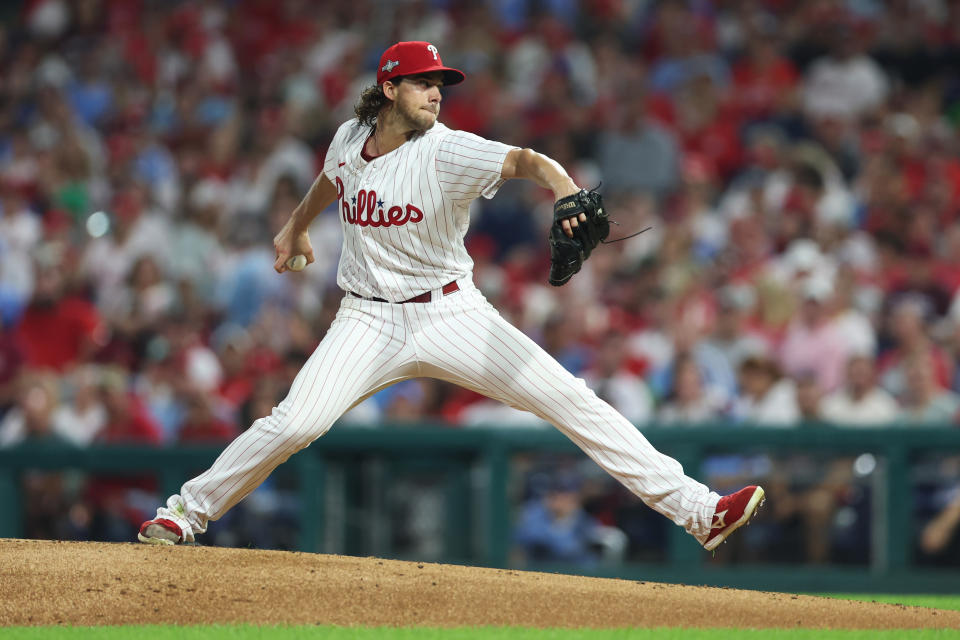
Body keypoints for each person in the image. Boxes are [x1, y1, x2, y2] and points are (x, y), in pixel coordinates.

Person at [138, 41, 763, 553]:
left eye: (440, 82)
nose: (436, 92)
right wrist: (295, 227)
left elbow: (526, 160)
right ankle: (183, 514)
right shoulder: (349, 136)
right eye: (421, 82)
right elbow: (330, 180)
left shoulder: (448, 151)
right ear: (389, 90)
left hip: (451, 313)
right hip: (366, 319)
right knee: (294, 422)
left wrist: (567, 189)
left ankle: (700, 511)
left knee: (574, 400)